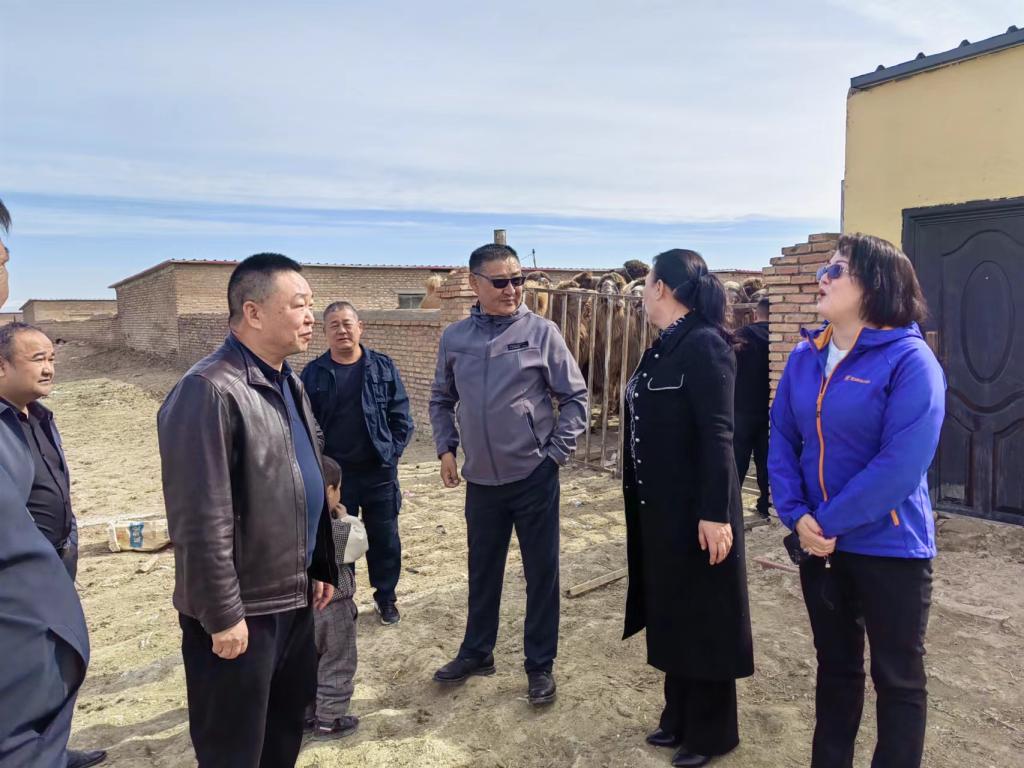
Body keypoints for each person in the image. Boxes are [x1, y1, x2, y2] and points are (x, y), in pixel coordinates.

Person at [768, 233, 945, 768]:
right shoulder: (805, 357)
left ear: (876, 284)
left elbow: (901, 465)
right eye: (823, 268)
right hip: (821, 546)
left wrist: (825, 522)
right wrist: (795, 515)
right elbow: (782, 439)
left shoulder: (911, 361)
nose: (822, 278)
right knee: (836, 669)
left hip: (891, 548)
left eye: (837, 269)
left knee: (898, 679)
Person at [158, 253, 337, 768]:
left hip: (292, 597)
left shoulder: (287, 382)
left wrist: (318, 565)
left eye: (311, 304)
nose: (311, 316)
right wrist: (222, 615)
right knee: (234, 750)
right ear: (253, 312)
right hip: (244, 610)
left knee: (282, 735)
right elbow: (198, 517)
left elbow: (303, 478)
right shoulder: (210, 389)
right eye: (298, 305)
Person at [429, 242, 587, 705]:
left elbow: (575, 398)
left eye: (518, 280)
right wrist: (446, 448)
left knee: (541, 574)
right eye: (500, 281)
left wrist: (554, 454)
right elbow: (441, 398)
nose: (512, 289)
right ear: (474, 284)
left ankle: (539, 666)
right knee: (482, 570)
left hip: (533, 475)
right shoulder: (455, 338)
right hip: (481, 481)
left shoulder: (542, 332)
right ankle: (477, 652)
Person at [622, 249, 754, 768]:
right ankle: (677, 716)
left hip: (699, 510)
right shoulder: (663, 347)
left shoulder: (705, 344)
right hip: (662, 510)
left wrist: (716, 513)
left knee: (705, 617)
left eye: (647, 282)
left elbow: (720, 434)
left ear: (662, 288)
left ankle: (712, 733)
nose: (643, 292)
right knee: (673, 610)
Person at [0, 200, 94, 768]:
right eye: (36, 358)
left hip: (55, 558)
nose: (48, 367)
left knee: (54, 667)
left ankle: (54, 748)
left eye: (51, 357)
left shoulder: (41, 417)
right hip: (19, 585)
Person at [301, 301, 413, 625]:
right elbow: (307, 424)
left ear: (360, 327)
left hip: (379, 472)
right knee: (340, 541)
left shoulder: (382, 367)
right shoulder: (313, 373)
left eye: (347, 323)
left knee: (385, 540)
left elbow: (401, 416)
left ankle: (386, 598)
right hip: (337, 479)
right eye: (334, 325)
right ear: (325, 332)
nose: (342, 330)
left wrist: (391, 454)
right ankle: (343, 600)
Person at [306, 455, 366, 739]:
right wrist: (346, 517)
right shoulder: (333, 531)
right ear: (330, 491)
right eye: (338, 488)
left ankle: (306, 714)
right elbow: (358, 543)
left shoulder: (294, 528)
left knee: (306, 663)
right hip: (334, 606)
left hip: (303, 610)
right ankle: (330, 718)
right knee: (338, 662)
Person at [733, 296, 771, 518]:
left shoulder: (740, 336)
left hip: (741, 410)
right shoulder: (780, 338)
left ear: (755, 314)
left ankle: (731, 508)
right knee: (766, 462)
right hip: (770, 413)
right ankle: (766, 504)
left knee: (737, 461)